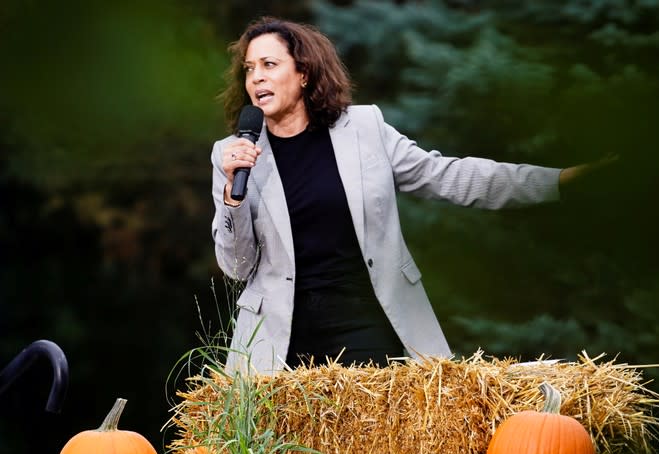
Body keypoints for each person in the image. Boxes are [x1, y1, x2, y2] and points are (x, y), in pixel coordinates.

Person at [211, 16, 612, 375]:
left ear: (303, 74)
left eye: (269, 65)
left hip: (364, 322)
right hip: (282, 339)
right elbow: (237, 266)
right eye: (249, 69)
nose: (256, 78)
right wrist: (233, 196)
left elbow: (448, 176)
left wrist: (555, 181)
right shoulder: (233, 156)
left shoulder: (364, 129)